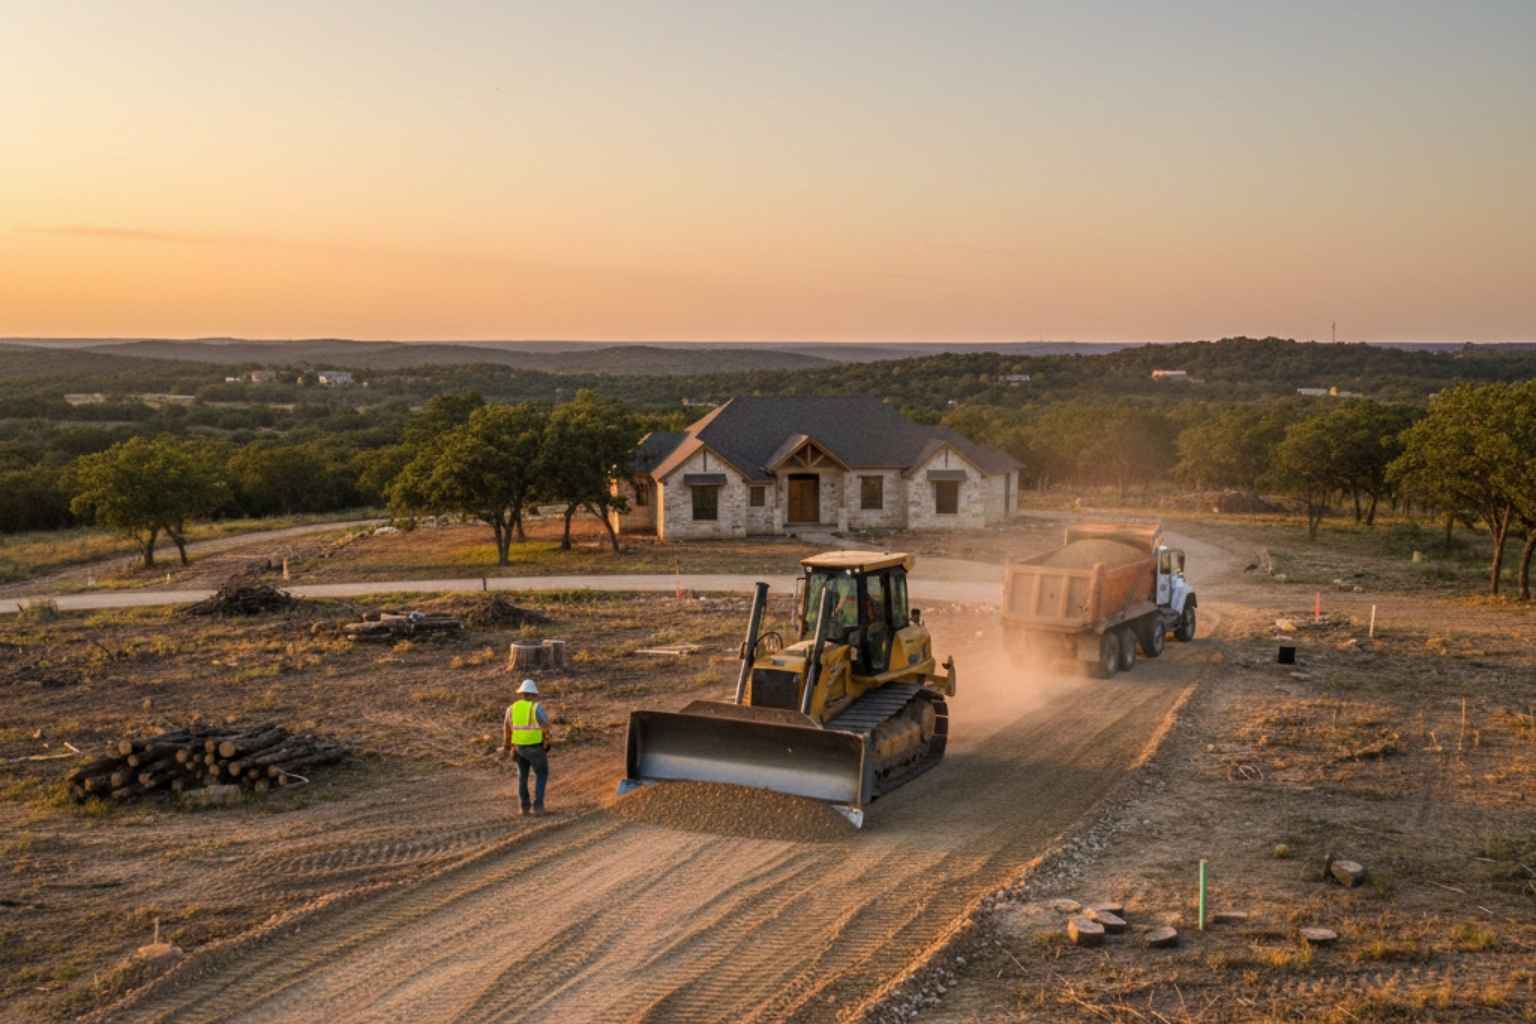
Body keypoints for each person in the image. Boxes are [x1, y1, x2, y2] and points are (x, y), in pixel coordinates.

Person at [499, 678, 552, 816]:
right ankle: (538, 807)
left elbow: (507, 729)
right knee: (542, 774)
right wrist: (547, 742)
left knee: (522, 776)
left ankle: (524, 807)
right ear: (533, 694)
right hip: (535, 748)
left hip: (519, 748)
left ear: (521, 693)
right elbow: (546, 725)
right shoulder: (536, 708)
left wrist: (507, 747)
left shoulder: (511, 709)